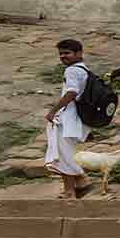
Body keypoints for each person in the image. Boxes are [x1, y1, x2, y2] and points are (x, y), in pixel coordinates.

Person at [43, 37, 93, 200]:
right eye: (61, 54)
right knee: (67, 154)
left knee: (64, 155)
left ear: (79, 53)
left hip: (68, 120)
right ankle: (79, 183)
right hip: (78, 120)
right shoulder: (84, 69)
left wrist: (53, 111)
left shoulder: (71, 70)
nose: (63, 56)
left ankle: (72, 190)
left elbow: (71, 93)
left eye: (67, 53)